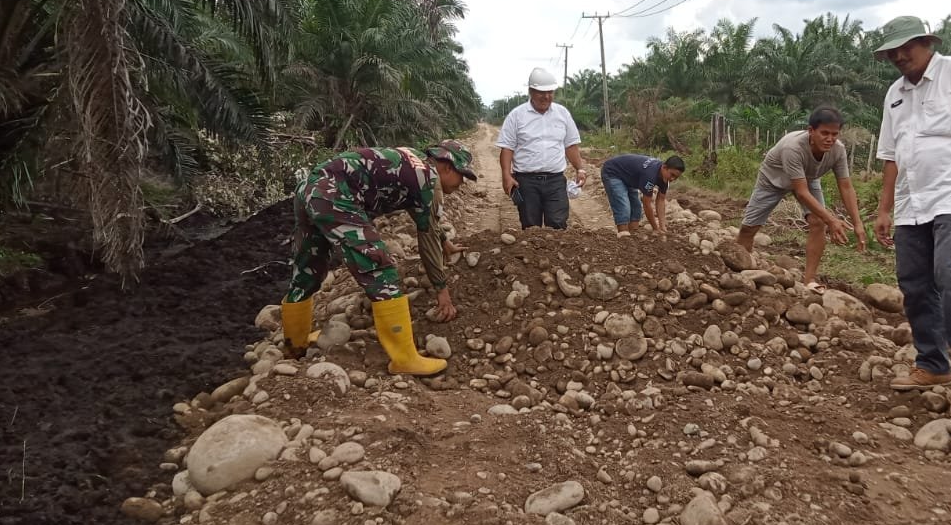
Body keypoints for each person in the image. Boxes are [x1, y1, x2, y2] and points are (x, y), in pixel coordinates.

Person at [872, 15, 951, 416]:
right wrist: (884, 208)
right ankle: (932, 364)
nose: (899, 56)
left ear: (927, 43)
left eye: (906, 47)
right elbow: (891, 156)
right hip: (912, 205)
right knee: (913, 283)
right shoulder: (895, 93)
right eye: (892, 52)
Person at [278, 141, 477, 377]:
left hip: (310, 189)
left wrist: (445, 242)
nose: (461, 184)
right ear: (447, 167)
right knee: (379, 268)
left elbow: (424, 216)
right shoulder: (430, 179)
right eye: (462, 176)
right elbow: (427, 238)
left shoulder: (415, 163)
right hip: (336, 195)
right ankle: (405, 359)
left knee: (308, 269)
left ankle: (295, 345)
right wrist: (442, 292)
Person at [735, 107, 867, 286]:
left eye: (834, 134)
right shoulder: (793, 148)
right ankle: (739, 269)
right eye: (824, 133)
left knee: (818, 222)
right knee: (749, 228)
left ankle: (809, 281)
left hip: (808, 178)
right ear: (811, 131)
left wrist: (858, 223)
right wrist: (832, 220)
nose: (830, 139)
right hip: (773, 178)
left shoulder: (838, 150)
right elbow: (801, 192)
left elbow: (846, 186)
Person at [497, 66, 589, 229]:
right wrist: (506, 175)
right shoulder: (516, 116)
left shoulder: (562, 114)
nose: (546, 96)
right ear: (531, 91)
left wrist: (580, 169)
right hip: (526, 181)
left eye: (550, 92)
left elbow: (570, 145)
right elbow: (507, 148)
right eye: (541, 92)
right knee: (531, 226)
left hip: (555, 181)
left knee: (558, 224)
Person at [599, 154, 685, 237]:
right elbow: (647, 204)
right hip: (613, 172)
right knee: (623, 206)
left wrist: (662, 227)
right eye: (672, 175)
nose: (672, 179)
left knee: (636, 208)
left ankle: (633, 236)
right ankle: (623, 236)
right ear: (664, 167)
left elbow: (661, 200)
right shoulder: (650, 175)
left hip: (629, 177)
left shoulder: (665, 178)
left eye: (676, 177)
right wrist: (655, 228)